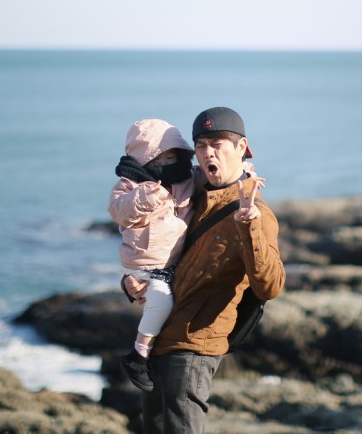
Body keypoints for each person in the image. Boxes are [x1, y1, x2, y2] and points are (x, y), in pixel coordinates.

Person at [123, 106, 286, 434]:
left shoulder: (257, 214)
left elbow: (270, 286)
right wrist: (131, 281)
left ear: (241, 148)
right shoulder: (189, 195)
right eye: (201, 145)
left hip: (194, 347)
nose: (208, 152)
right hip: (159, 342)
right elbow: (161, 254)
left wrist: (249, 226)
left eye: (217, 144)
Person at [108, 118, 197, 391]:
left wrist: (243, 173)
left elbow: (212, 177)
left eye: (173, 157)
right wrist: (145, 197)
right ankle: (138, 356)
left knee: (163, 303)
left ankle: (146, 357)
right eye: (160, 158)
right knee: (160, 303)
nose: (168, 164)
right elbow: (117, 210)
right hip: (143, 264)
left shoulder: (187, 179)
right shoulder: (130, 184)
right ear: (144, 159)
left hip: (172, 264)